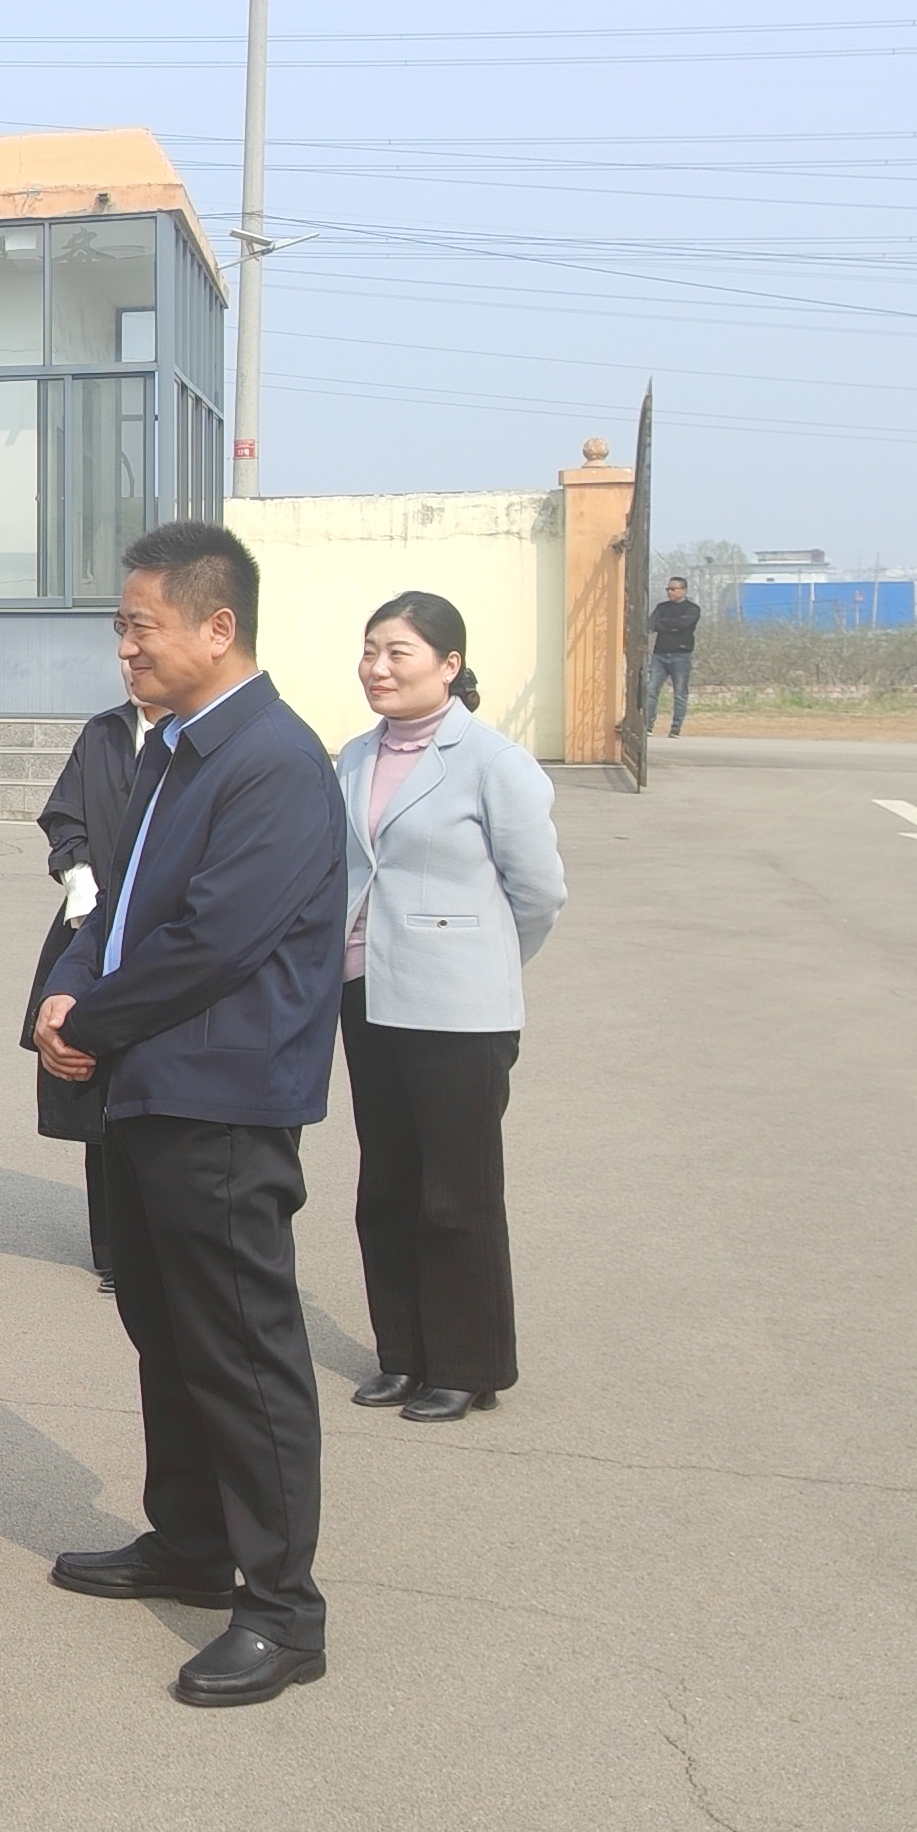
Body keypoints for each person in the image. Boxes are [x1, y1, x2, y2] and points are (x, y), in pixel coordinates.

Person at [30, 520, 347, 1710]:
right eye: (120, 628)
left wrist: (92, 1018)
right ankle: (189, 1541)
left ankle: (282, 1607)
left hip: (220, 1097)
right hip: (146, 1085)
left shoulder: (272, 759)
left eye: (141, 627)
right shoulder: (171, 748)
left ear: (219, 628)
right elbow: (117, 906)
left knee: (241, 1353)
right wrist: (69, 988)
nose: (125, 649)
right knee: (166, 1332)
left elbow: (215, 939)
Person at [337, 592, 567, 1424]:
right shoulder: (354, 756)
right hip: (367, 994)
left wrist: (481, 964)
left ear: (449, 664)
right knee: (386, 1184)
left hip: (460, 1012)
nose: (378, 667)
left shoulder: (493, 762)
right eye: (370, 650)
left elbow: (538, 892)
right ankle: (402, 1353)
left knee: (456, 1193)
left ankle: (468, 1365)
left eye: (397, 651)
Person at [30, 679, 169, 1295]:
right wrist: (80, 881)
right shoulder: (104, 732)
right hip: (89, 926)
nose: (132, 663)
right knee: (92, 1087)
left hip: (160, 931)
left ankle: (156, 1238)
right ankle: (112, 1247)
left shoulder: (193, 737)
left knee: (149, 1082)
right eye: (124, 645)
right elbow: (65, 816)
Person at [645, 576, 701, 735]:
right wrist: (672, 625)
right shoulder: (661, 607)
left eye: (673, 589)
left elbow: (684, 623)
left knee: (680, 693)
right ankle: (647, 725)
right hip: (660, 655)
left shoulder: (692, 609)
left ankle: (675, 728)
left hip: (681, 655)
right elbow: (651, 625)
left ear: (683, 590)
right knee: (651, 690)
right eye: (668, 589)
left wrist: (664, 624)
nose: (670, 592)